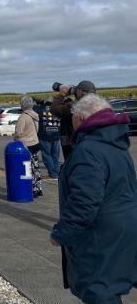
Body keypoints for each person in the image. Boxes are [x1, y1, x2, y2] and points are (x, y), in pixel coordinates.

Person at [50, 94, 137, 303]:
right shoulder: (116, 144)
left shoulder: (88, 151)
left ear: (80, 118)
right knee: (109, 287)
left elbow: (84, 201)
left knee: (99, 290)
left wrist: (62, 233)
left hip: (100, 234)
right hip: (123, 228)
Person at [14, 96, 42, 197]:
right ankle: (37, 188)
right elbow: (37, 130)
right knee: (35, 168)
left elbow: (18, 133)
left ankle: (27, 189)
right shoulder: (35, 115)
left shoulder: (23, 117)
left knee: (26, 169)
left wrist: (15, 138)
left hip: (25, 145)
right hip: (35, 143)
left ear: (22, 104)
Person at [35, 98, 61, 179]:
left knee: (47, 155)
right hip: (56, 135)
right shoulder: (57, 109)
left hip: (44, 135)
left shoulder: (40, 109)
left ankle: (53, 174)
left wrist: (41, 102)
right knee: (55, 156)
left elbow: (32, 108)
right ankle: (56, 173)